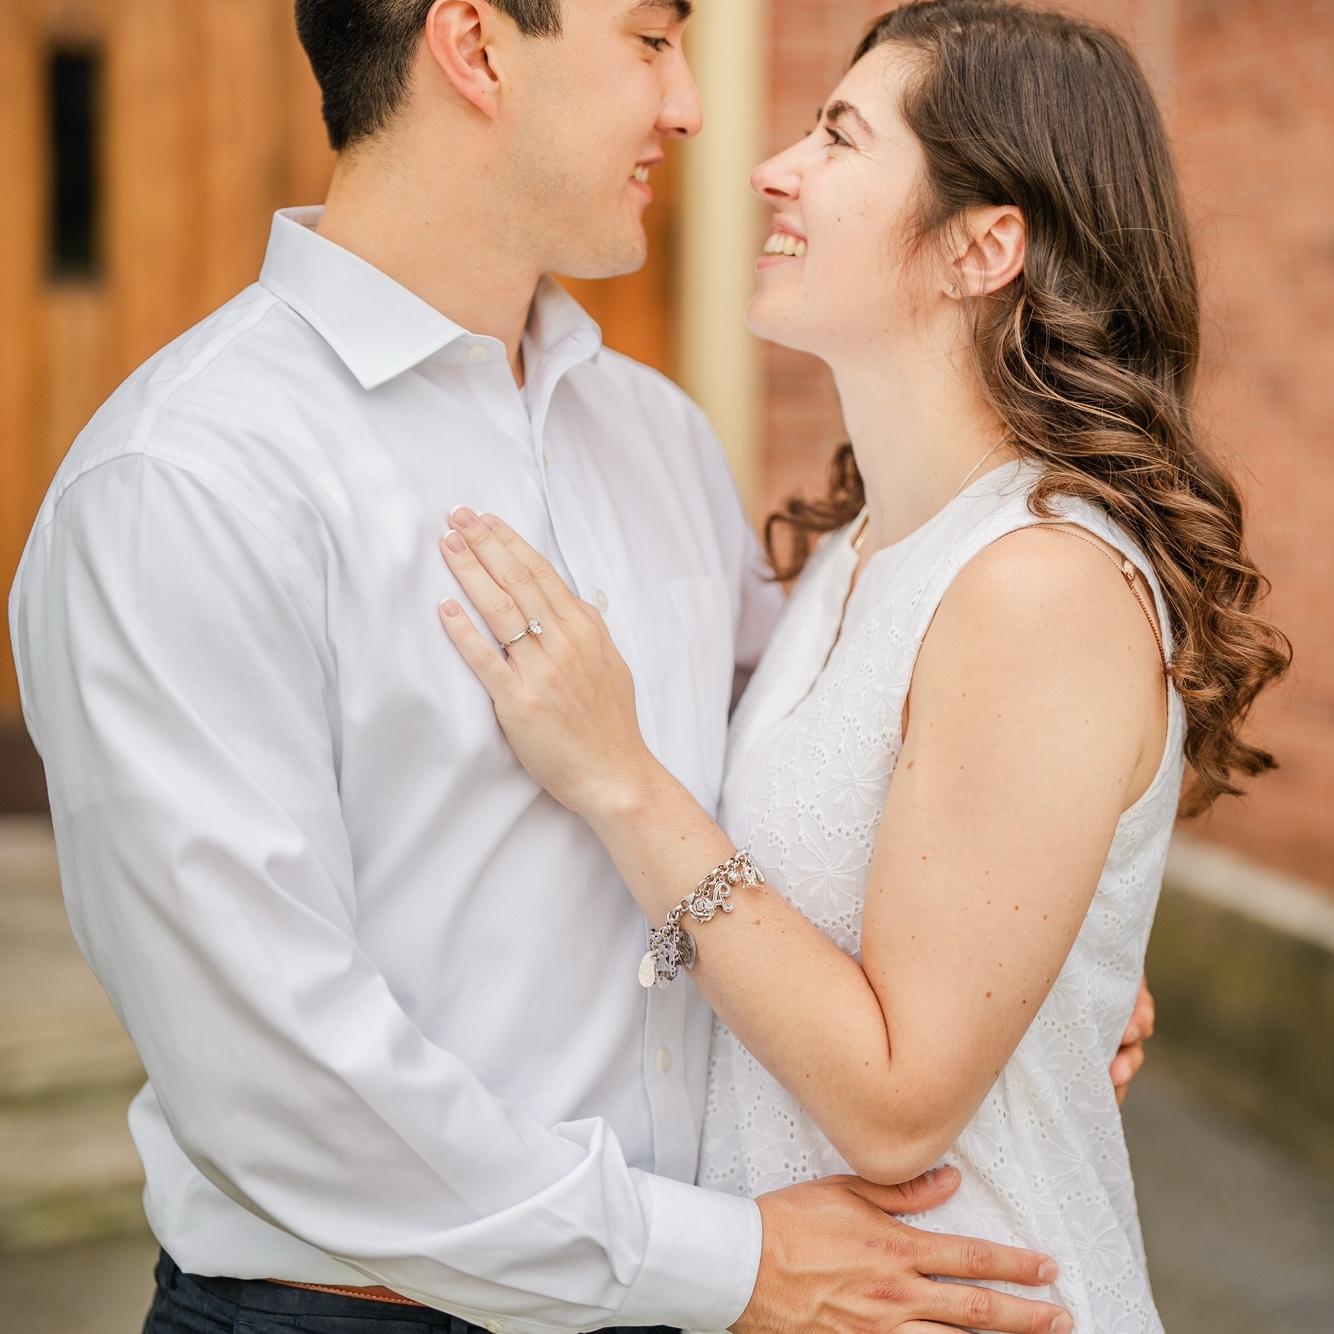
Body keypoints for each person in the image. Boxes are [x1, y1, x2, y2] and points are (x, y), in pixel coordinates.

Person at [4, 2, 1143, 1332]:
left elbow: (858, 771)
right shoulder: (187, 482)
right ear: (476, 46)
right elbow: (274, 1076)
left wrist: (1036, 947)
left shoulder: (652, 432)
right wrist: (727, 1263)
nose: (693, 109)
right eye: (652, 42)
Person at [435, 3, 1292, 1332]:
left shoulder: (1040, 584)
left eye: (837, 136)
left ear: (980, 244)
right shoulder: (856, 548)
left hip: (966, 1293)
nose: (772, 167)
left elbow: (897, 1103)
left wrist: (617, 775)